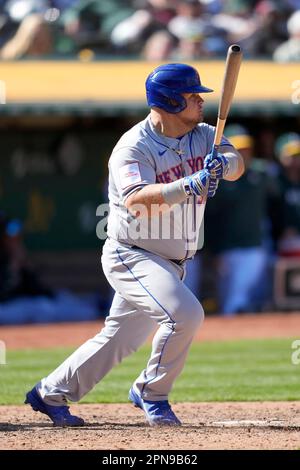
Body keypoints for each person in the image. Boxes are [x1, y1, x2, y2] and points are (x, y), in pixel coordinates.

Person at [25, 63, 244, 427]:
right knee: (186, 314)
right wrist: (190, 184)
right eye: (192, 96)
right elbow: (138, 201)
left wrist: (224, 163)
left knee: (118, 340)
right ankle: (151, 391)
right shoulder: (133, 146)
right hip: (132, 254)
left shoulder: (204, 134)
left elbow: (238, 163)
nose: (200, 101)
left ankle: (49, 392)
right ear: (171, 101)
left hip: (172, 260)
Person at [205, 125, 279, 314]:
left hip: (253, 246)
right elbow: (211, 218)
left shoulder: (261, 173)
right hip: (226, 248)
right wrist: (214, 251)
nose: (243, 153)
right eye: (238, 149)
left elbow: (280, 194)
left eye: (246, 149)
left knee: (239, 299)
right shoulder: (217, 179)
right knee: (226, 298)